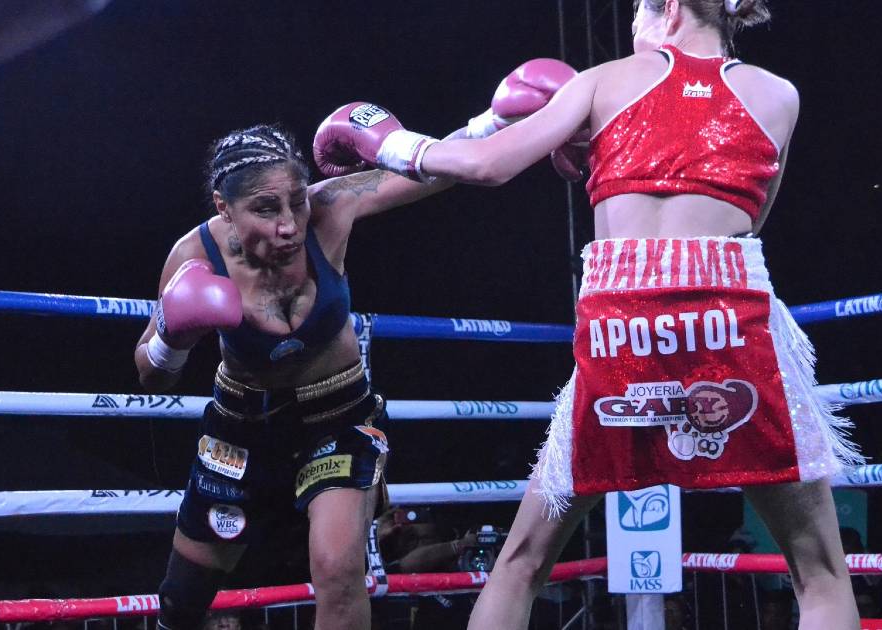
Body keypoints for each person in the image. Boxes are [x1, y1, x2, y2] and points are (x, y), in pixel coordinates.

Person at [314, 1, 863, 628]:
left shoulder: (604, 81)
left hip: (620, 325)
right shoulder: (780, 95)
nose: (631, 28)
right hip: (727, 318)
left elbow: (484, 165)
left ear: (669, 7)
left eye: (636, 14)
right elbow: (749, 222)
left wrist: (388, 141)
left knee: (522, 563)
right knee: (820, 574)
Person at [135, 59, 576, 630]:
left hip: (338, 416)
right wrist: (173, 337)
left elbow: (432, 171)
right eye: (265, 209)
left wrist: (494, 122)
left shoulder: (331, 208)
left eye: (295, 200)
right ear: (224, 206)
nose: (289, 224)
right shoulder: (193, 256)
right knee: (182, 597)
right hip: (240, 428)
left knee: (339, 572)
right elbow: (151, 374)